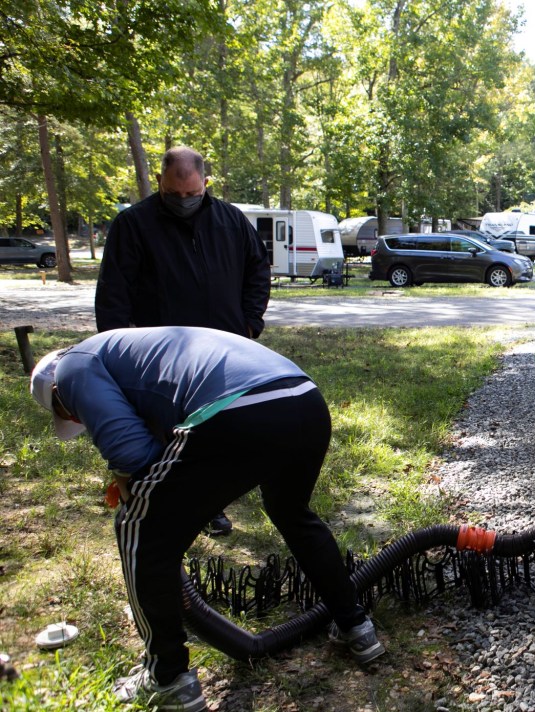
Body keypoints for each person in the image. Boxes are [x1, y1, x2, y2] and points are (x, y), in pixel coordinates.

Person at [30, 327, 385, 711]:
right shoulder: (127, 350)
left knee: (138, 527)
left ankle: (166, 677)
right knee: (292, 512)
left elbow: (133, 455)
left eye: (69, 415)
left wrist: (135, 487)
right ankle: (356, 626)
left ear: (56, 396)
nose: (77, 420)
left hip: (239, 409)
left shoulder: (70, 368)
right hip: (303, 400)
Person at [95, 146, 271, 536]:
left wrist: (250, 322)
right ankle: (160, 502)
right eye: (175, 195)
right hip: (161, 354)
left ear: (205, 183)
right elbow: (113, 292)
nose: (184, 202)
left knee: (217, 428)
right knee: (168, 433)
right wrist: (113, 348)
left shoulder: (231, 220)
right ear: (160, 182)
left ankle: (212, 505)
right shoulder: (133, 224)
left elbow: (258, 269)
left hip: (225, 348)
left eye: (193, 195)